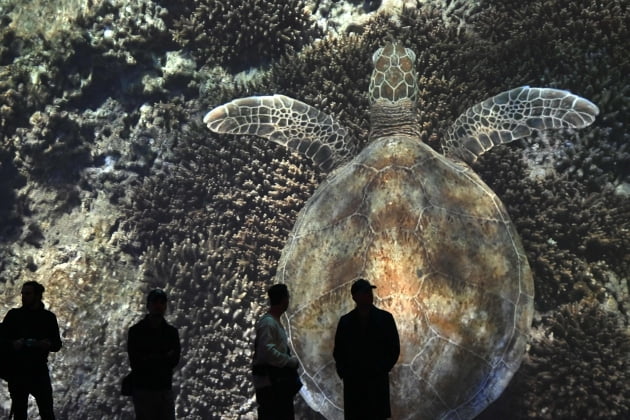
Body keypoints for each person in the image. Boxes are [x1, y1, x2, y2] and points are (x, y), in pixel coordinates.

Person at [333, 278, 400, 420]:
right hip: (354, 385)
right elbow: (338, 351)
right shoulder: (345, 321)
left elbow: (394, 349)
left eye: (370, 292)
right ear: (355, 297)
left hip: (376, 382)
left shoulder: (385, 318)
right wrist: (345, 373)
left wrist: (381, 369)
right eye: (365, 292)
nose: (369, 295)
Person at [2, 281, 62, 420]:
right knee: (19, 414)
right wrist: (13, 344)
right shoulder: (14, 315)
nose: (23, 297)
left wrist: (47, 344)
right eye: (22, 293)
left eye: (27, 294)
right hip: (18, 372)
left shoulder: (48, 318)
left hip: (38, 371)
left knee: (47, 413)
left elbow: (57, 344)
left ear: (37, 295)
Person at [127, 289, 181, 420]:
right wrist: (163, 357)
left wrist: (150, 357)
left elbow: (174, 360)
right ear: (148, 305)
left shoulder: (172, 332)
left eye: (162, 302)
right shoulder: (135, 332)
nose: (158, 305)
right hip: (144, 392)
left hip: (163, 391)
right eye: (155, 302)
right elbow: (135, 362)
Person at [252, 284, 301, 420]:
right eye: (287, 297)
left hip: (277, 385)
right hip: (272, 387)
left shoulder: (274, 322)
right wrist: (289, 361)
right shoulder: (268, 323)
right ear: (284, 300)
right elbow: (266, 352)